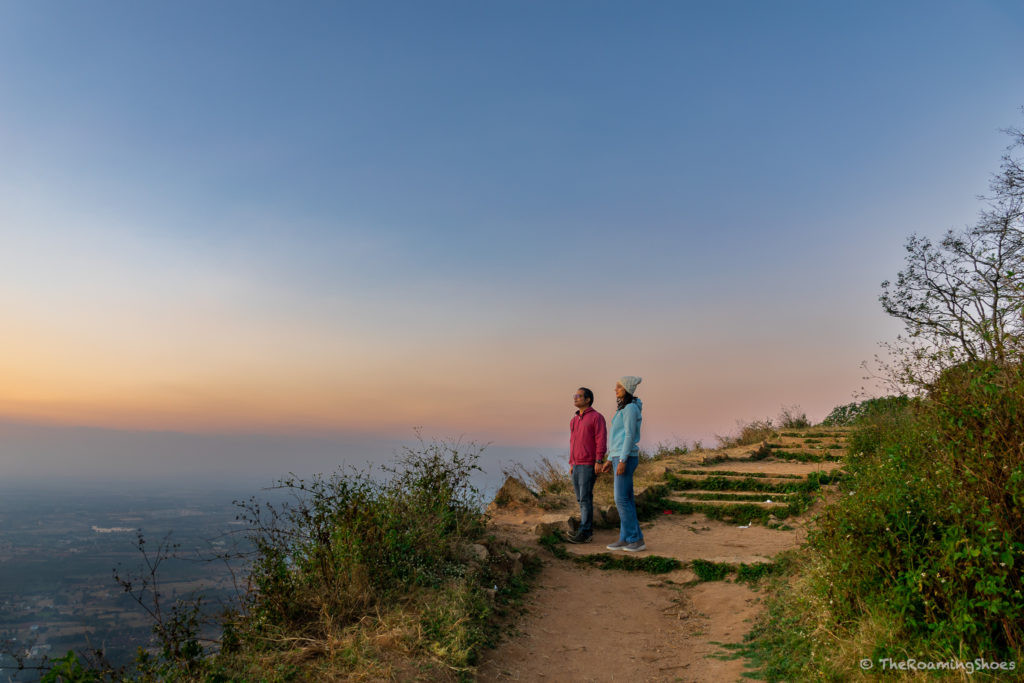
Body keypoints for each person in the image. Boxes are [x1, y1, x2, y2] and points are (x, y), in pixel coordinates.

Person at [601, 376, 645, 552]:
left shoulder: (630, 409)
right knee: (626, 499)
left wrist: (622, 460)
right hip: (618, 455)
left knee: (621, 499)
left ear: (626, 389)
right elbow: (617, 438)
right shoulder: (624, 408)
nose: (615, 389)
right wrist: (610, 458)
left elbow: (628, 435)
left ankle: (635, 539)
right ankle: (625, 538)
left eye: (618, 387)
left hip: (625, 457)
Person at [566, 387, 607, 543]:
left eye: (579, 396)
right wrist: (571, 463)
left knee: (585, 498)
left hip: (589, 464)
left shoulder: (597, 417)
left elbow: (601, 440)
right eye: (574, 395)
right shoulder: (574, 420)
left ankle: (586, 532)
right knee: (580, 499)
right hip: (576, 464)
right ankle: (583, 530)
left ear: (588, 399)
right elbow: (572, 443)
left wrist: (598, 460)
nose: (575, 398)